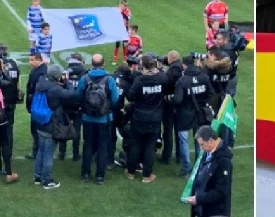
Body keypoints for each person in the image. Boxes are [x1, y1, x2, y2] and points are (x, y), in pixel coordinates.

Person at [31, 64, 77, 189]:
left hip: (40, 122)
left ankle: (37, 176)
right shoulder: (54, 89)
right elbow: (71, 94)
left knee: (41, 150)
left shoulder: (41, 83)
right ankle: (47, 181)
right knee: (48, 154)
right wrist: (67, 82)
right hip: (51, 124)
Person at [126, 54, 168, 183]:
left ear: (142, 66)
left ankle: (131, 172)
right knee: (150, 146)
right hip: (155, 117)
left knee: (135, 144)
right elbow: (165, 91)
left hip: (139, 116)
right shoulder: (162, 78)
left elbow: (130, 96)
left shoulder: (139, 80)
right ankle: (146, 175)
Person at [77, 53, 119, 185]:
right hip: (104, 118)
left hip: (87, 117)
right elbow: (115, 99)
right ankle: (100, 175)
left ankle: (85, 173)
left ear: (92, 64)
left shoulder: (85, 78)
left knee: (88, 144)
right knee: (102, 146)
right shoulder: (109, 79)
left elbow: (78, 95)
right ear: (103, 63)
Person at [186, 125, 234, 217]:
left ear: (211, 141)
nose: (201, 148)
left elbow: (222, 192)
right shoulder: (208, 152)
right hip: (204, 210)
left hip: (216, 216)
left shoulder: (224, 162)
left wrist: (199, 198)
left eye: (202, 144)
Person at [173, 55, 213, 177]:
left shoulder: (182, 80)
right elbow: (211, 93)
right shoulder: (204, 76)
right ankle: (200, 166)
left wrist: (170, 99)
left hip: (185, 114)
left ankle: (186, 168)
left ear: (184, 65)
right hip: (200, 113)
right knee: (199, 141)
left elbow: (178, 100)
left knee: (184, 141)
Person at [24, 53, 47, 160]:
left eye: (32, 60)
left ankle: (37, 151)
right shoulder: (38, 69)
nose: (30, 62)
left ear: (38, 60)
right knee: (35, 129)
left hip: (37, 104)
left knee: (36, 129)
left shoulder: (42, 71)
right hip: (34, 103)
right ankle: (37, 150)